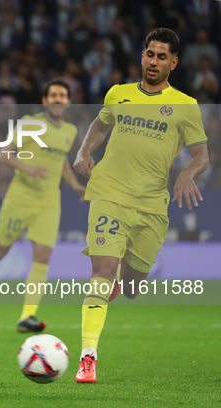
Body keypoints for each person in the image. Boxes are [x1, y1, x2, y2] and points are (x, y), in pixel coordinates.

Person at [72, 28, 209, 383]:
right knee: (101, 272)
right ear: (142, 55)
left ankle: (124, 282)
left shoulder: (185, 106)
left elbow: (202, 154)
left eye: (162, 56)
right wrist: (84, 150)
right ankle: (88, 357)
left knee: (132, 287)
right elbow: (100, 127)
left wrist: (187, 174)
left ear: (173, 63)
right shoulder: (118, 94)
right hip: (109, 195)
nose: (154, 61)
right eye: (150, 54)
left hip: (151, 206)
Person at [0, 79, 86, 332]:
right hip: (20, 199)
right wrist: (28, 168)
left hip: (49, 203)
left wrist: (75, 185)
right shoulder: (30, 124)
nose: (58, 100)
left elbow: (62, 163)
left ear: (68, 102)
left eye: (63, 96)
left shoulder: (70, 131)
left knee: (42, 256)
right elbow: (3, 153)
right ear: (45, 101)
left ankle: (27, 317)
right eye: (53, 96)